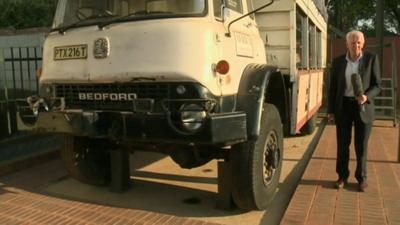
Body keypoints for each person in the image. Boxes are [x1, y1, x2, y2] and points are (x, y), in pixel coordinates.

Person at [327, 30, 381, 192]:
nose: (356, 45)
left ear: (363, 44)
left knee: (361, 146)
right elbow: (332, 89)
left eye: (359, 42)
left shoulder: (371, 59)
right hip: (343, 107)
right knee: (343, 145)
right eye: (352, 42)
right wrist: (330, 111)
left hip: (363, 107)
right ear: (347, 44)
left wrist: (366, 96)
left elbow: (377, 85)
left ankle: (361, 178)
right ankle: (342, 176)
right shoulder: (338, 63)